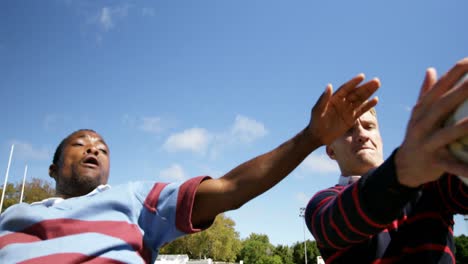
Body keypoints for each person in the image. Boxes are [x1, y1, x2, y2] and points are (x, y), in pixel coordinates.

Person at [0, 75, 379, 263]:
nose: (93, 150)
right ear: (52, 168)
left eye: (102, 148)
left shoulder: (132, 200)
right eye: (81, 143)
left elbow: (230, 189)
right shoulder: (13, 216)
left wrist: (311, 136)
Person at [305, 58, 468, 263]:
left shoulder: (432, 180)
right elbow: (336, 225)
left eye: (369, 126)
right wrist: (400, 172)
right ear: (330, 151)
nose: (362, 134)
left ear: (381, 138)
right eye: (348, 130)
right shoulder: (322, 202)